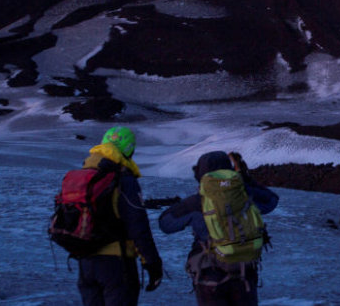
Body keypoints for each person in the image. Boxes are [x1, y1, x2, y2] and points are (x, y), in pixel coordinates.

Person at [159, 150, 279, 305]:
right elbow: (272, 200)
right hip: (244, 273)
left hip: (210, 277)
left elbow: (165, 224)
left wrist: (182, 207)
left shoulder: (196, 202)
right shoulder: (246, 195)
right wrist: (246, 180)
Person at [77, 126, 164, 305]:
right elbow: (137, 226)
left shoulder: (84, 174)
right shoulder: (123, 180)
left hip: (85, 261)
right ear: (128, 149)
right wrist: (152, 263)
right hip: (116, 264)